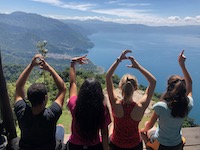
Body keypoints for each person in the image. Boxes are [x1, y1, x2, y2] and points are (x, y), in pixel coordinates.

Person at [140, 50, 193, 150]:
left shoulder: (161, 106)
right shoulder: (188, 104)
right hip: (177, 143)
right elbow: (190, 83)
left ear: (169, 88)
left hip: (161, 144)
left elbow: (149, 126)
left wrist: (141, 131)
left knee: (146, 127)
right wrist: (182, 65)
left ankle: (148, 146)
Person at [106, 50, 156, 150]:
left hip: (116, 145)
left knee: (111, 126)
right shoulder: (140, 107)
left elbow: (108, 77)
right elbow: (153, 82)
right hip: (135, 145)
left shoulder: (115, 104)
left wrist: (118, 60)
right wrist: (138, 67)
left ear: (120, 87)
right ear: (136, 88)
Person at [14, 54, 66, 150]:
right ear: (45, 98)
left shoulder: (21, 111)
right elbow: (62, 88)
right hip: (49, 148)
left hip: (25, 147)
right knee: (60, 128)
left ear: (28, 98)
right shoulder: (52, 114)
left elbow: (19, 87)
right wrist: (49, 68)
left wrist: (31, 66)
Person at [65, 55, 111, 150]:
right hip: (95, 146)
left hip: (75, 146)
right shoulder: (102, 109)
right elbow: (105, 133)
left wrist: (72, 64)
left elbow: (73, 83)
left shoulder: (75, 104)